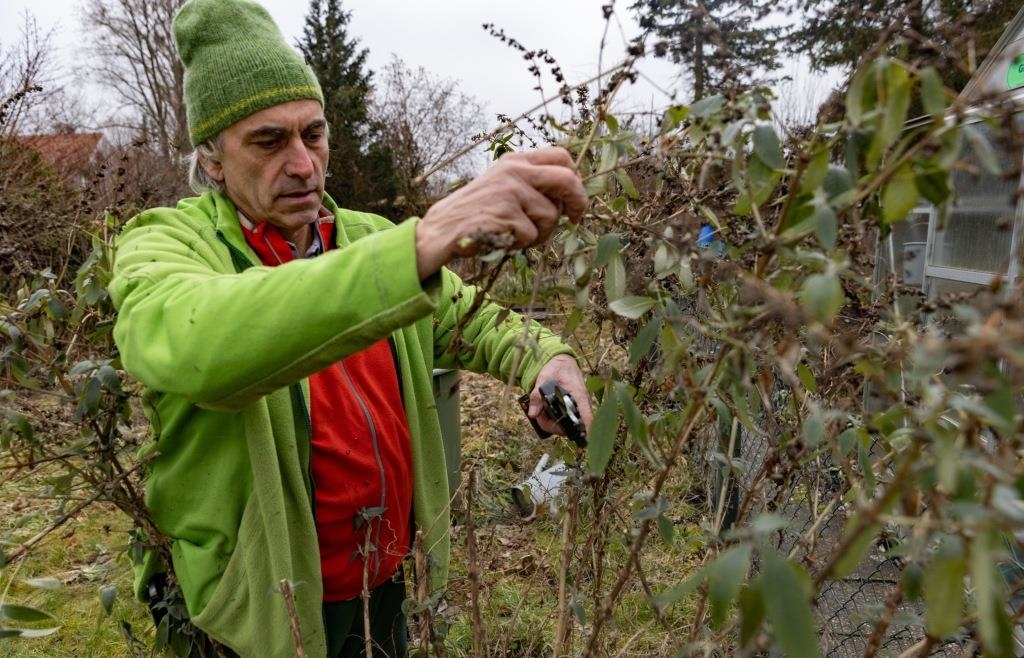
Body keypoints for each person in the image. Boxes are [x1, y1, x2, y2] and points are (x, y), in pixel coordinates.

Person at [107, 1, 592, 656]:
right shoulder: (168, 244)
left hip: (383, 587)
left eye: (313, 134)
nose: (303, 163)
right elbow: (196, 343)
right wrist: (421, 244)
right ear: (212, 159)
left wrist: (549, 358)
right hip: (252, 610)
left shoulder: (367, 238)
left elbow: (477, 322)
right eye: (268, 142)